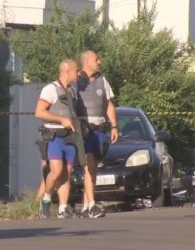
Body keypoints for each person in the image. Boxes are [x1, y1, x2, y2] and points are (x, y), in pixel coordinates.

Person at [75, 50, 119, 218]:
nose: (99, 62)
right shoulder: (76, 82)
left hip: (100, 129)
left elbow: (108, 105)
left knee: (92, 168)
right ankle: (92, 205)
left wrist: (114, 126)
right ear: (86, 62)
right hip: (84, 130)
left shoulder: (102, 80)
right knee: (89, 165)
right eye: (96, 59)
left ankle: (86, 206)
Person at [35, 59, 79, 219]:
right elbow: (39, 112)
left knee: (67, 172)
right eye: (76, 70)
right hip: (54, 135)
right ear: (67, 72)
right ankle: (46, 199)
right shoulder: (50, 89)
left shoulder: (73, 91)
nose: (78, 73)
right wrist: (61, 120)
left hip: (70, 137)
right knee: (56, 170)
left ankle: (62, 208)